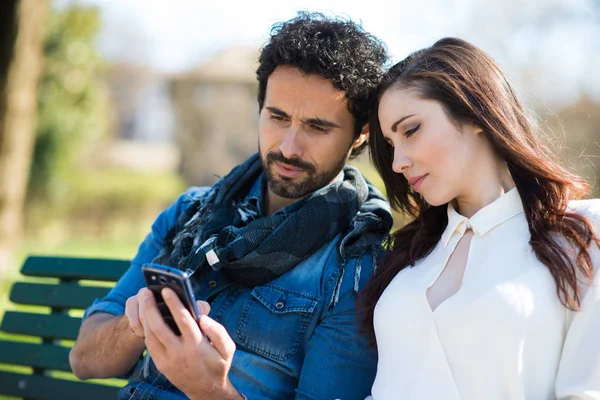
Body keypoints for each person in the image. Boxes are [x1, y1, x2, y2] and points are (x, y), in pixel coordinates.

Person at [68, 12, 393, 400]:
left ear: (360, 136)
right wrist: (139, 323)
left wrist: (209, 389)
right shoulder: (191, 212)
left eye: (317, 127)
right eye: (277, 117)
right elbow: (85, 361)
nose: (289, 147)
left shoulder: (355, 266)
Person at [360, 37, 600, 400]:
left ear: (473, 112)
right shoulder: (409, 256)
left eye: (411, 130)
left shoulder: (581, 232)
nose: (398, 163)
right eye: (392, 145)